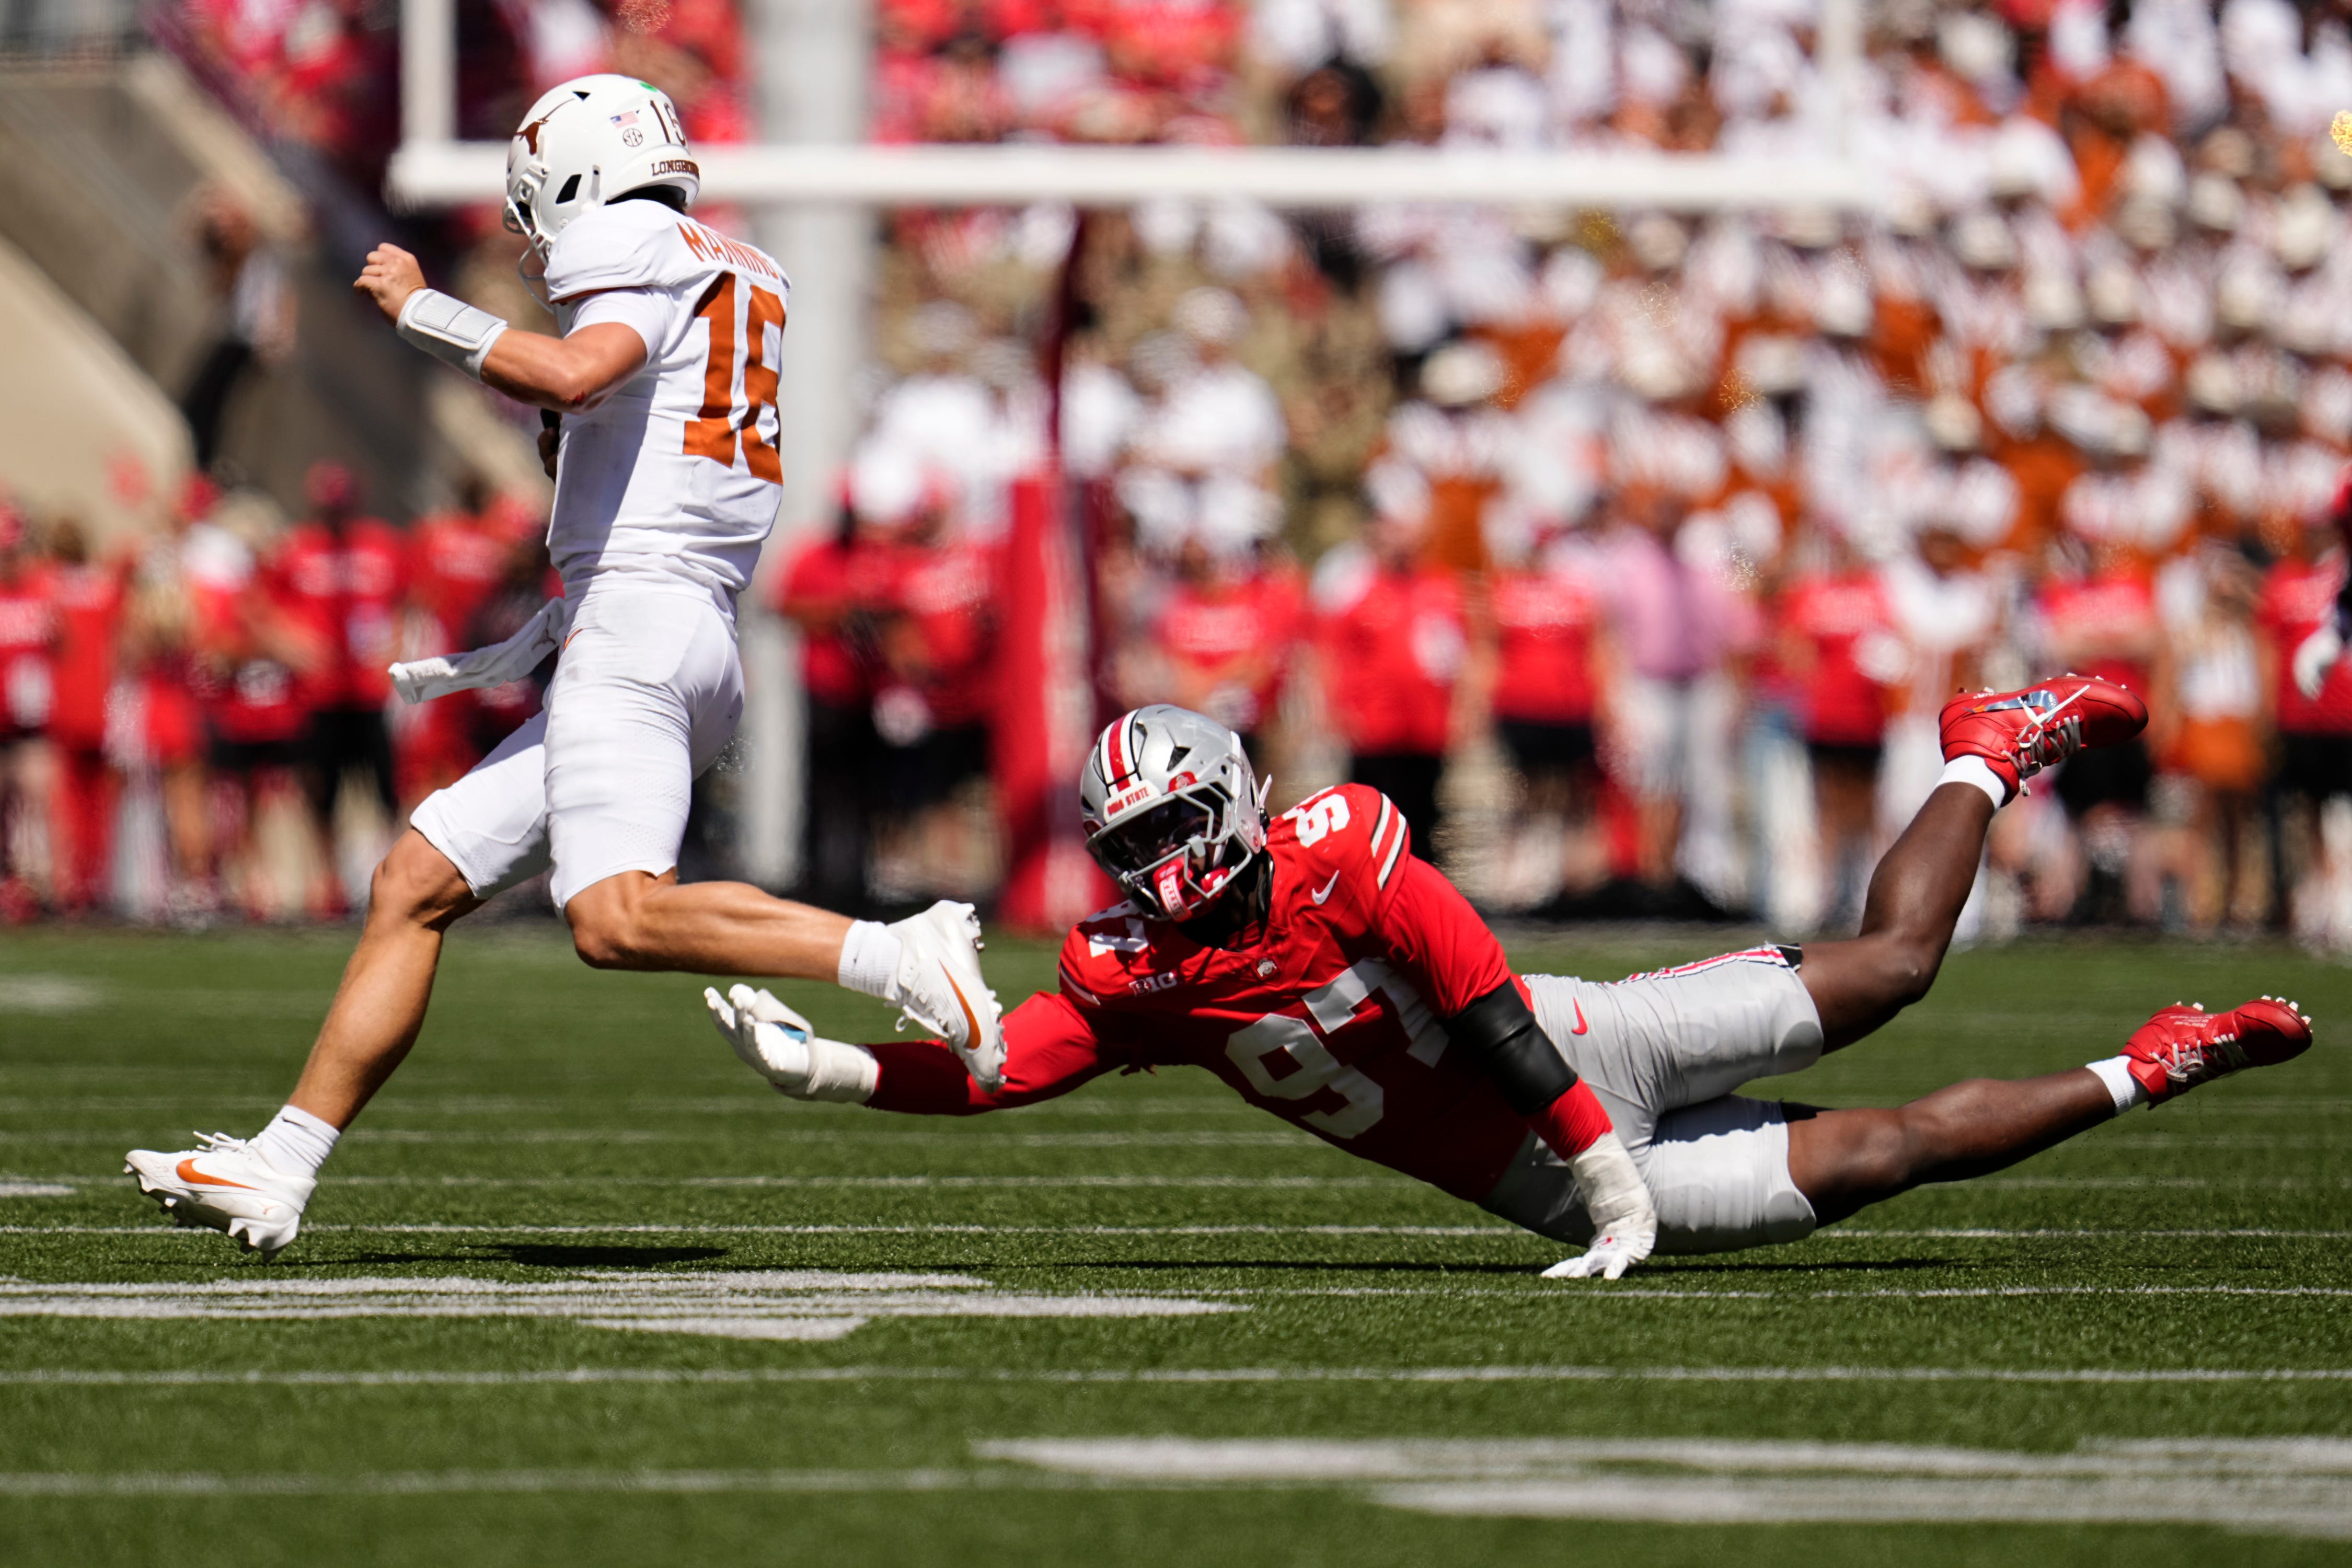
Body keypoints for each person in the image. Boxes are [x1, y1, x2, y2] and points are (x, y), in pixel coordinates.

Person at [127, 75, 1004, 1259]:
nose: (540, 231)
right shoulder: (737, 262)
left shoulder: (629, 233)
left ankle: (901, 954)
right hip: (675, 622)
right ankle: (280, 1164)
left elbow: (583, 370)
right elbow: (616, 411)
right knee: (415, 882)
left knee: (615, 917)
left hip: (637, 624)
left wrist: (423, 310)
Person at [707, 685, 2313, 1276]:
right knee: (1884, 1152)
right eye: (1130, 847)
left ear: (1235, 798)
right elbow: (1005, 1065)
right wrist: (838, 1072)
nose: (1161, 872)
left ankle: (1984, 751)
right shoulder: (1129, 970)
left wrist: (1611, 1169)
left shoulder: (1341, 842)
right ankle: (2153, 1064)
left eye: (1175, 830)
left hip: (1568, 1044)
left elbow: (1474, 996)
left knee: (1892, 969)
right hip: (1523, 1178)